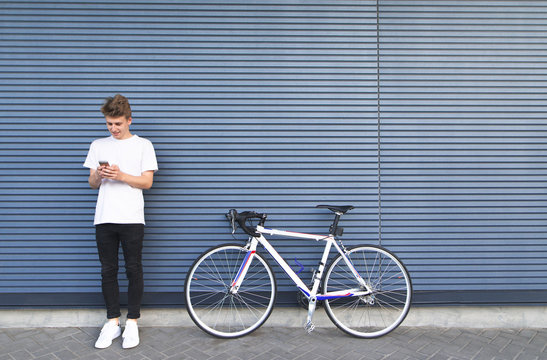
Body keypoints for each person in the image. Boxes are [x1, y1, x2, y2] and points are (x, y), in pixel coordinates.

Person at [83, 94, 158, 349]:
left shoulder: (143, 145)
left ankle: (133, 322)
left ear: (129, 120)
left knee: (133, 268)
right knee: (108, 270)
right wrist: (101, 176)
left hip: (132, 217)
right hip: (104, 217)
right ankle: (113, 322)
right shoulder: (98, 145)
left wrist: (121, 175)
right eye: (109, 124)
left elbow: (147, 182)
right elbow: (92, 183)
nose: (113, 129)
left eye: (118, 124)